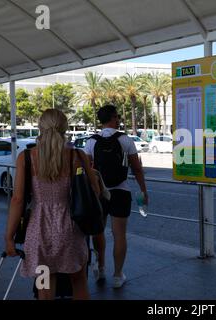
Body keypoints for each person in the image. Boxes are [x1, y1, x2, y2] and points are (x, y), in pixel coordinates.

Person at [4, 109, 100, 300]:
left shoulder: (27, 157)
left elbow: (18, 199)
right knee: (78, 280)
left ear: (40, 128)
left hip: (39, 231)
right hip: (71, 228)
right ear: (65, 128)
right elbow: (94, 192)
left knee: (44, 285)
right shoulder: (77, 156)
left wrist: (9, 236)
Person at [84, 104, 148, 288]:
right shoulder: (125, 140)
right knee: (119, 235)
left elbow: (89, 170)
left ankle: (101, 268)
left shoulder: (91, 141)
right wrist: (143, 190)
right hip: (121, 191)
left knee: (98, 231)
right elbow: (136, 168)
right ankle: (118, 275)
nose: (119, 119)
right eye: (117, 116)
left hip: (99, 192)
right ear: (112, 118)